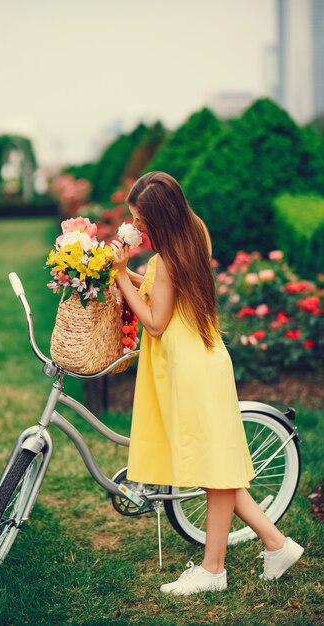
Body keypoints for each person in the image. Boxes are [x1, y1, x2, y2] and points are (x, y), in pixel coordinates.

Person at [110, 171, 304, 597]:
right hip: (207, 359)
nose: (137, 227)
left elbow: (157, 323)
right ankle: (276, 544)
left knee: (215, 471)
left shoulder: (168, 260)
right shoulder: (195, 235)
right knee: (218, 467)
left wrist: (122, 275)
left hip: (189, 369)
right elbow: (170, 293)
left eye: (141, 220)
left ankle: (214, 570)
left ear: (161, 218)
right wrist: (138, 278)